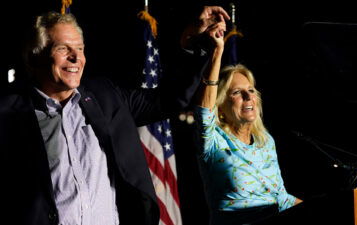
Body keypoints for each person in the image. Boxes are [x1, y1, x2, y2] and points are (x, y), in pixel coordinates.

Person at [0, 6, 230, 225]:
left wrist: (193, 43)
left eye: (80, 48)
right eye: (62, 48)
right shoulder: (9, 113)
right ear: (36, 56)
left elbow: (170, 99)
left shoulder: (106, 97)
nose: (76, 58)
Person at [193, 22, 303, 225]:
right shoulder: (213, 141)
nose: (248, 96)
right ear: (221, 106)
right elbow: (203, 112)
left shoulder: (265, 141)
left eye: (251, 90)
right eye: (236, 92)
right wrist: (218, 51)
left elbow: (282, 198)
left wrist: (327, 209)